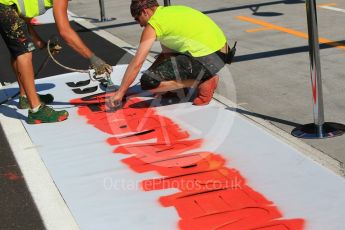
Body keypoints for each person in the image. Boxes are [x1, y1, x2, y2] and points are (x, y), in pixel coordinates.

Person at [0, 0, 112, 124]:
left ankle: (25, 97)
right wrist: (93, 58)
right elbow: (65, 31)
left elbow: (23, 21)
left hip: (6, 6)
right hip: (4, 6)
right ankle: (36, 110)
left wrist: (42, 45)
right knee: (24, 53)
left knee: (17, 48)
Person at [107, 0, 233, 108]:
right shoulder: (170, 13)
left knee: (148, 83)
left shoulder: (154, 24)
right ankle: (182, 85)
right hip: (222, 54)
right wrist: (154, 74)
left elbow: (137, 62)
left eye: (137, 18)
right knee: (155, 74)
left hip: (207, 59)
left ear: (145, 12)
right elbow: (167, 55)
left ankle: (203, 82)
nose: (140, 24)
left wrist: (121, 92)